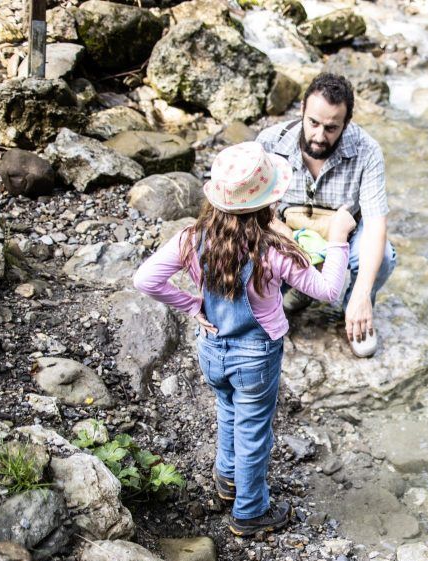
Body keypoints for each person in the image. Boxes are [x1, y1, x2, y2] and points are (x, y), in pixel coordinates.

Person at [133, 142, 356, 537]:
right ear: (268, 202)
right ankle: (250, 511)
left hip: (212, 349)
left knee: (227, 410)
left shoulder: (192, 237)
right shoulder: (273, 251)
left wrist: (191, 304)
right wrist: (338, 238)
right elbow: (329, 290)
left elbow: (145, 279)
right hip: (256, 355)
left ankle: (227, 479)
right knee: (254, 430)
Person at [256, 72, 396, 357]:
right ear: (302, 111)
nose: (319, 136)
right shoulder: (270, 143)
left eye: (332, 128)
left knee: (383, 256)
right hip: (289, 237)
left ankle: (355, 310)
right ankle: (302, 289)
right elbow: (252, 210)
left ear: (346, 123)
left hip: (344, 238)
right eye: (313, 123)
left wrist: (361, 294)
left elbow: (375, 225)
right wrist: (282, 234)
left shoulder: (367, 151)